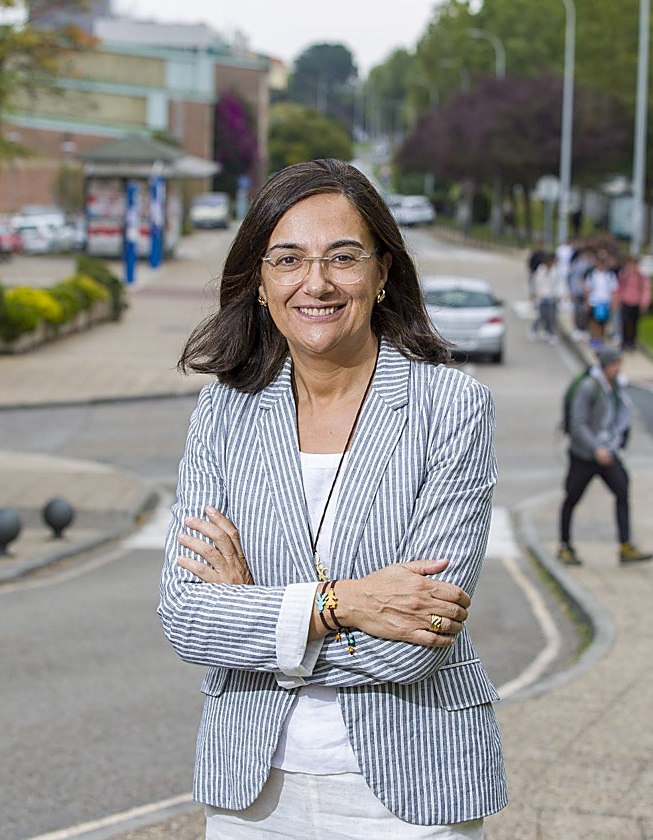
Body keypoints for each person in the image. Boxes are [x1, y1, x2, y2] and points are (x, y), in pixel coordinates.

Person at [159, 158, 508, 838]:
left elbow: (419, 640)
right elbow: (186, 617)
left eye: (342, 257)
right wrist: (342, 604)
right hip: (253, 791)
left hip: (412, 783)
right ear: (260, 283)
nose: (315, 283)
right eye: (287, 259)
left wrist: (255, 613)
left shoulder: (452, 409)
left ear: (382, 274)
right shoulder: (224, 413)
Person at [557, 347, 653, 567]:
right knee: (572, 497)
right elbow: (577, 423)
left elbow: (618, 416)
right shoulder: (589, 387)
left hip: (607, 452)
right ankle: (564, 544)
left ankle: (625, 545)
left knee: (622, 490)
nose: (618, 368)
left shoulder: (615, 386)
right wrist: (595, 449)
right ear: (605, 366)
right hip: (584, 455)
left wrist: (613, 445)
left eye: (619, 364)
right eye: (614, 364)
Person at [615, 255, 652, 351]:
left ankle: (631, 342)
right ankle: (624, 341)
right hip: (625, 300)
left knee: (633, 323)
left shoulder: (641, 276)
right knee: (625, 322)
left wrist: (644, 302)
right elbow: (619, 287)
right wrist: (617, 299)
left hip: (635, 302)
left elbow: (645, 289)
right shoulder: (624, 275)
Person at [584, 252, 618, 350]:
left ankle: (600, 339)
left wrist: (613, 303)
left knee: (603, 322)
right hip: (594, 301)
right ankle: (594, 338)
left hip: (605, 302)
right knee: (594, 321)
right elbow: (588, 289)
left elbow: (613, 290)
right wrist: (587, 301)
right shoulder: (592, 275)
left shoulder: (610, 276)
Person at [530, 252, 562, 344]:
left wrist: (560, 296)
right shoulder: (541, 269)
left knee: (551, 317)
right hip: (542, 296)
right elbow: (536, 282)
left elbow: (560, 284)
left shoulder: (556, 271)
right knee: (541, 316)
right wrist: (535, 294)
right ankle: (534, 330)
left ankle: (550, 333)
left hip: (552, 297)